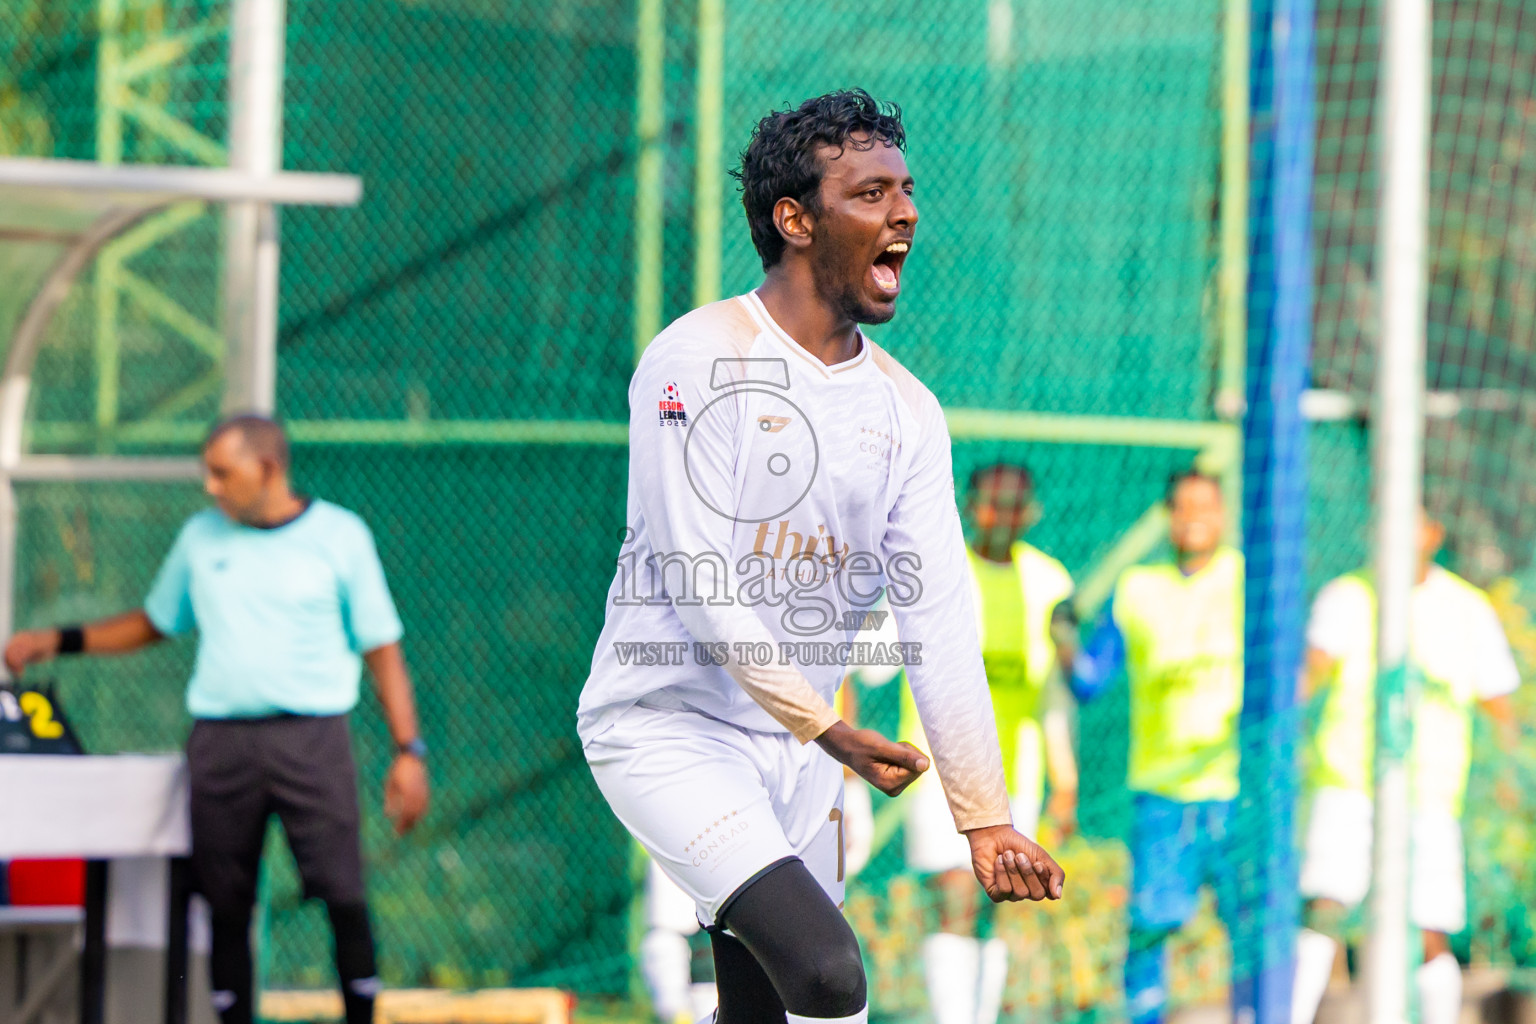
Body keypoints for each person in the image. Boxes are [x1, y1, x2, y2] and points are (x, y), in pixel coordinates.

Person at [578, 89, 1064, 1024]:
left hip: (797, 757)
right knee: (830, 976)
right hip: (667, 731)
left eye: (907, 190)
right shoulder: (697, 359)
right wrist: (829, 726)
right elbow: (698, 578)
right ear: (795, 220)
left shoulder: (907, 411)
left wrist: (984, 813)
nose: (906, 212)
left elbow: (940, 621)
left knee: (767, 1014)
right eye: (873, 192)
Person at [3, 415, 430, 1024]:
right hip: (220, 745)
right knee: (224, 903)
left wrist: (408, 751)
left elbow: (383, 652)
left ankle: (361, 1013)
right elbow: (154, 621)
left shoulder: (340, 536)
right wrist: (60, 639)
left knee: (342, 891)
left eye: (223, 472)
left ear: (269, 469)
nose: (210, 485)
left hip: (312, 740)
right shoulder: (201, 538)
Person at [1290, 507, 1519, 1024]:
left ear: (1434, 533)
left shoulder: (1468, 607)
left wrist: (1509, 772)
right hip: (1348, 785)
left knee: (1427, 932)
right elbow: (1310, 675)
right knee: (1324, 909)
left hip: (1429, 795)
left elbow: (1501, 704)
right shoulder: (1346, 595)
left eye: (1410, 521)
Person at [900, 463, 1078, 1024]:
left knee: (995, 904)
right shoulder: (935, 573)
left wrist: (1065, 778)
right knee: (951, 898)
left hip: (1013, 779)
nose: (1000, 517)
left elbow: (1055, 691)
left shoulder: (1051, 583)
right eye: (989, 503)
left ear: (1031, 513)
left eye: (1014, 505)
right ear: (969, 506)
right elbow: (869, 659)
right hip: (939, 777)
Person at [1070, 469, 1242, 1024]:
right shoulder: (1138, 590)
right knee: (1148, 926)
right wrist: (1062, 638)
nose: (1194, 516)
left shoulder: (1249, 581)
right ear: (1169, 516)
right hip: (1161, 795)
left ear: (1223, 515)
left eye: (1206, 506)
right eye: (1183, 506)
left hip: (1240, 792)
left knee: (1253, 923)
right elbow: (1088, 680)